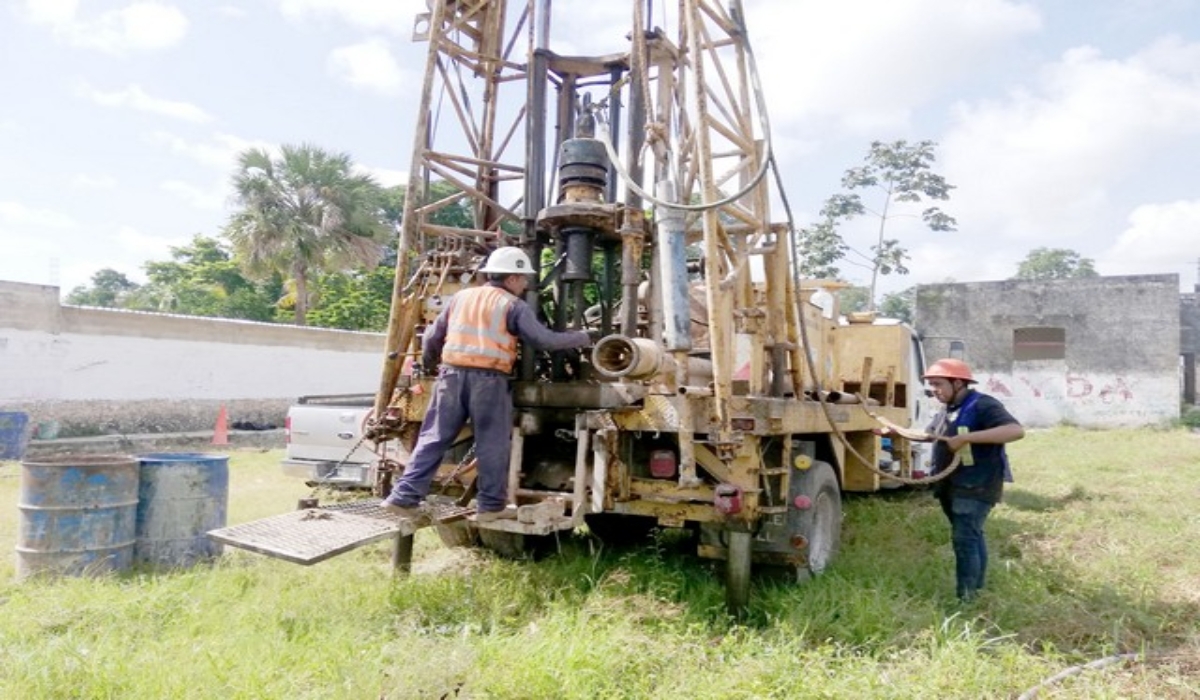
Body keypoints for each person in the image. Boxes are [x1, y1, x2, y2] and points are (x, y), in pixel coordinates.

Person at [381, 246, 592, 522]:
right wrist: (584, 338)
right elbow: (544, 341)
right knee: (492, 443)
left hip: (451, 376)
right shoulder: (512, 305)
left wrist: (432, 365)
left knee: (434, 437)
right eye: (524, 278)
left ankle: (403, 497)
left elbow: (433, 337)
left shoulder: (460, 297)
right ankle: (490, 506)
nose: (526, 284)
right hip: (488, 381)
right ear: (513, 278)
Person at [923, 358, 1024, 602]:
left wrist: (969, 438)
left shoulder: (984, 405)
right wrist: (892, 432)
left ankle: (966, 599)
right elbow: (930, 435)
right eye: (931, 385)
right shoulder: (947, 409)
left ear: (958, 383)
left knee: (964, 539)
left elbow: (1015, 431)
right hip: (951, 484)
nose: (934, 390)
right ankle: (975, 590)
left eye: (938, 384)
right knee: (971, 535)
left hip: (978, 483)